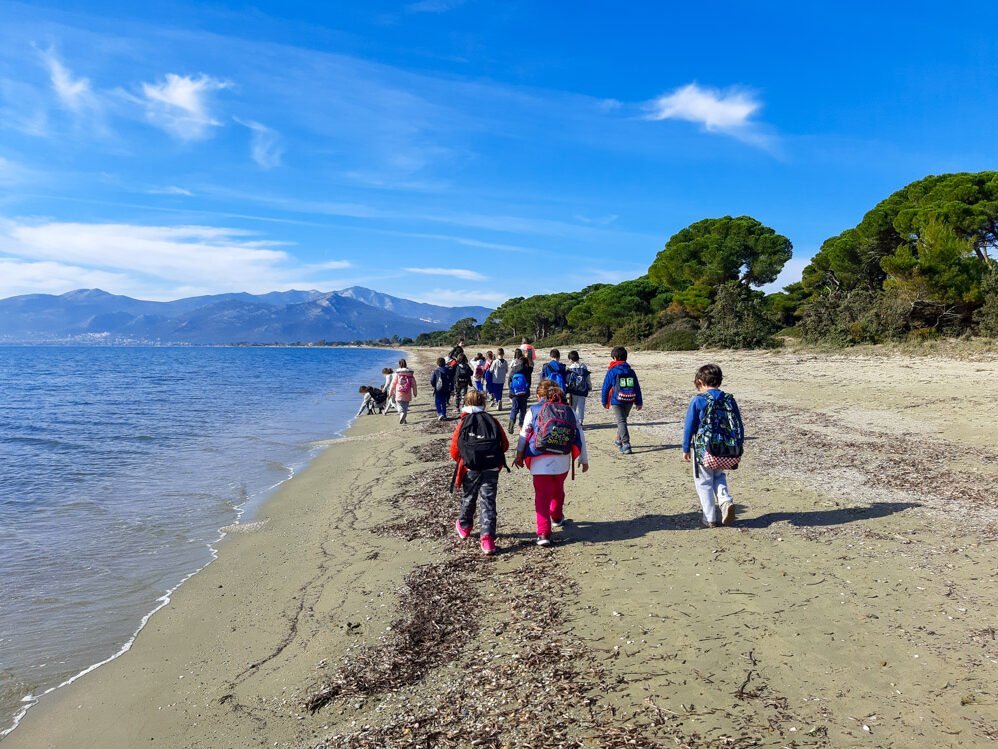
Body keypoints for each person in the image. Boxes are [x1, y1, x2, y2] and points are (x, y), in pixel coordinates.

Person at [513, 379, 588, 546]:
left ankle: (543, 533)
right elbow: (580, 436)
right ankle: (556, 515)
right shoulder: (569, 411)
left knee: (541, 496)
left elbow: (524, 435)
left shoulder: (533, 410)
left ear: (540, 395)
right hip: (562, 459)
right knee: (558, 489)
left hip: (539, 460)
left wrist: (519, 455)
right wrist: (584, 459)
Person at [450, 390, 509, 555]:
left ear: (466, 404)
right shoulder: (492, 421)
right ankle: (487, 540)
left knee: (468, 498)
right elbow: (504, 445)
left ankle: (465, 526)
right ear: (483, 403)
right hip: (491, 468)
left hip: (471, 469)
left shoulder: (463, 423)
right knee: (488, 502)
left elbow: (454, 451)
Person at [683, 364, 743, 528]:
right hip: (726, 448)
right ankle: (724, 501)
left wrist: (686, 448)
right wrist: (739, 445)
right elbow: (738, 424)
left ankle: (709, 518)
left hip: (705, 449)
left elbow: (690, 426)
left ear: (700, 381)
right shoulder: (729, 399)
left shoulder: (699, 400)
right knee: (719, 476)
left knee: (703, 482)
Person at [601, 346, 642, 455]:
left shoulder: (612, 371)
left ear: (614, 358)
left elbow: (606, 387)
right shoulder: (631, 371)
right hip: (629, 399)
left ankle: (626, 443)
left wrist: (604, 401)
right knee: (622, 420)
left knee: (621, 421)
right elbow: (637, 387)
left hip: (617, 400)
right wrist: (639, 402)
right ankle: (619, 439)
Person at [506, 349, 531, 433]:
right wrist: (527, 393)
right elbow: (528, 383)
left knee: (514, 409)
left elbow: (509, 381)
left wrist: (511, 393)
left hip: (515, 393)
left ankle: (511, 422)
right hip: (524, 394)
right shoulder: (527, 370)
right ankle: (521, 425)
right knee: (523, 410)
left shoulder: (514, 369)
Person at [565, 350, 591, 426]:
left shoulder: (570, 368)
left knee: (573, 406)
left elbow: (567, 380)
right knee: (581, 407)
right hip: (583, 390)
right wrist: (589, 386)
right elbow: (587, 377)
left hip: (574, 390)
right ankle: (581, 422)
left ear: (571, 360)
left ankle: (573, 421)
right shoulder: (584, 366)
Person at [387, 359, 417, 424]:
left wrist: (390, 392)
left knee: (400, 406)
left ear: (399, 365)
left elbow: (393, 384)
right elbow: (414, 384)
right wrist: (415, 392)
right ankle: (404, 420)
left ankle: (402, 414)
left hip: (399, 392)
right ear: (406, 364)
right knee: (405, 406)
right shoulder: (410, 374)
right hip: (407, 392)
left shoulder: (397, 374)